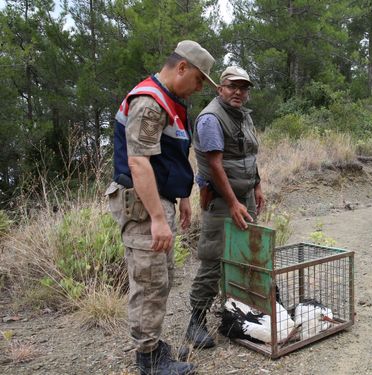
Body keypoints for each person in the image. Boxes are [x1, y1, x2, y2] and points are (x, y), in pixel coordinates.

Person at [105, 40, 216, 375]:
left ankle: (154, 347)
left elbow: (170, 157)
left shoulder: (170, 102)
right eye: (198, 79)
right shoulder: (150, 102)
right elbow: (138, 163)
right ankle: (149, 359)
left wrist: (182, 196)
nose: (198, 88)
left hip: (159, 201)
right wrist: (156, 217)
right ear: (181, 67)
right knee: (150, 281)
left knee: (161, 277)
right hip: (143, 206)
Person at [184, 66, 265, 348]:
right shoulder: (210, 118)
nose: (238, 92)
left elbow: (250, 154)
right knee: (214, 260)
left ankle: (237, 314)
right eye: (232, 86)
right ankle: (196, 322)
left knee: (246, 255)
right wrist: (232, 202)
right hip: (221, 200)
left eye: (243, 88)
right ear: (220, 88)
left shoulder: (243, 116)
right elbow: (215, 164)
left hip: (245, 197)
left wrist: (256, 185)